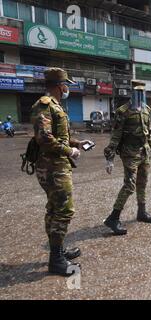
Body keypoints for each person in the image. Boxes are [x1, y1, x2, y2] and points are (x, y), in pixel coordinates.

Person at [30, 68, 92, 276]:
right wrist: (70, 151)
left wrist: (77, 143)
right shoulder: (44, 106)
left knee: (54, 209)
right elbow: (45, 138)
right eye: (66, 85)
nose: (68, 89)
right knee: (64, 211)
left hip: (56, 165)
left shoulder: (55, 106)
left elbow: (60, 135)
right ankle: (55, 260)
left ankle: (59, 250)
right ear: (59, 86)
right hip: (52, 167)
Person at [103, 80, 151, 236]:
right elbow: (116, 136)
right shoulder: (123, 111)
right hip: (130, 154)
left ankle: (142, 212)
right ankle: (113, 217)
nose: (140, 96)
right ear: (132, 94)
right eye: (137, 93)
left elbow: (149, 132)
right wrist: (109, 158)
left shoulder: (146, 110)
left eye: (142, 93)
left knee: (142, 183)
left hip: (144, 153)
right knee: (129, 186)